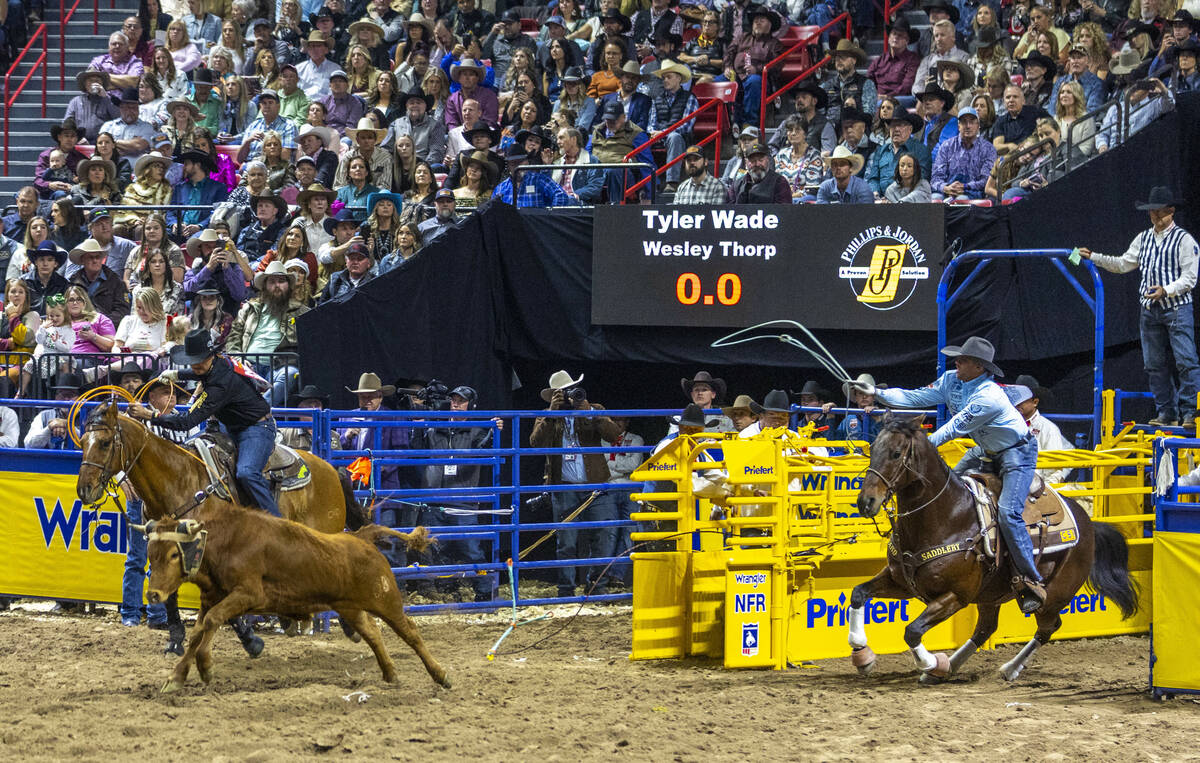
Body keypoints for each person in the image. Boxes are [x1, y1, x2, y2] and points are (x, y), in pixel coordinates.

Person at [862, 336, 1046, 612]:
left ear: (979, 367)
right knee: (944, 489)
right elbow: (914, 396)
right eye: (958, 358)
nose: (956, 362)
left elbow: (953, 428)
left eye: (964, 360)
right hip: (984, 449)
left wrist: (919, 447)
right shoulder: (951, 380)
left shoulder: (989, 397)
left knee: (1008, 512)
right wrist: (876, 392)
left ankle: (1030, 580)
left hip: (1016, 454)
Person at [1078, 187, 1199, 426]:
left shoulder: (1184, 240)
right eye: (1152, 213)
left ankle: (1191, 412)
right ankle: (1167, 412)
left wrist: (1166, 290)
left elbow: (1190, 277)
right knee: (1153, 364)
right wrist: (1094, 257)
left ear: (1171, 211)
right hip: (1149, 310)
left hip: (1177, 308)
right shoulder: (1143, 239)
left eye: (1160, 213)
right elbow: (1123, 264)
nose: (1155, 217)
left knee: (1186, 360)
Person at [129, 328, 279, 519]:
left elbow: (187, 421)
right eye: (191, 361)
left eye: (198, 360)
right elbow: (201, 373)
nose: (194, 365)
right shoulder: (220, 363)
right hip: (230, 425)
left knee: (247, 473)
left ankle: (276, 522)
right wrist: (178, 374)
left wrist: (151, 416)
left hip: (256, 428)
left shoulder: (220, 384)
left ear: (211, 355)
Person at [529, 370, 623, 598]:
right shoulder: (547, 415)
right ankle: (566, 590)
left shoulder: (594, 409)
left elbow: (614, 435)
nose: (569, 396)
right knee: (567, 542)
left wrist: (589, 411)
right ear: (553, 396)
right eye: (562, 393)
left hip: (596, 486)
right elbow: (535, 443)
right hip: (565, 487)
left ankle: (596, 586)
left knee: (604, 536)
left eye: (571, 391)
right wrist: (552, 413)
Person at [227, 261, 308, 405]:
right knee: (233, 373)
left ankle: (257, 411)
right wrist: (239, 360)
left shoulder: (302, 312)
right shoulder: (249, 309)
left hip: (280, 366)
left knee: (290, 374)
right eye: (272, 281)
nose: (277, 285)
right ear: (264, 286)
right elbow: (233, 338)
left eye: (281, 281)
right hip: (249, 365)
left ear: (289, 285)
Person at [723, 6, 782, 126]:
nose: (757, 23)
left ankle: (749, 123)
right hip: (736, 75)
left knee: (754, 82)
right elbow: (729, 53)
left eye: (762, 20)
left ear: (770, 25)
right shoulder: (742, 37)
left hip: (761, 79)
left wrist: (758, 69)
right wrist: (727, 67)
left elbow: (777, 64)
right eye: (755, 21)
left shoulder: (775, 43)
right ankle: (725, 122)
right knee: (718, 81)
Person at [930, 107, 997, 200]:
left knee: (961, 199)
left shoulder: (988, 149)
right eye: (964, 122)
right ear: (958, 126)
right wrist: (946, 187)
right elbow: (936, 177)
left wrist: (965, 187)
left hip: (973, 194)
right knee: (934, 199)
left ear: (978, 126)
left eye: (972, 122)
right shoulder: (947, 146)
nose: (968, 126)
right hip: (946, 192)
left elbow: (986, 180)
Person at [68, 239, 131, 325]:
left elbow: (123, 310)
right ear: (82, 260)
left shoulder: (116, 281)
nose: (95, 261)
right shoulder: (73, 282)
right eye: (90, 257)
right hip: (79, 328)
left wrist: (101, 323)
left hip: (107, 330)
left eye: (97, 257)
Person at [492, 144, 575, 208]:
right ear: (509, 166)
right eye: (513, 163)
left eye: (520, 161)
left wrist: (550, 216)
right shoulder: (501, 189)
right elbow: (494, 210)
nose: (517, 166)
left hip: (537, 227)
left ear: (527, 162)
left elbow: (560, 195)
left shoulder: (539, 179)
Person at [168, 150, 228, 237]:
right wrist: (174, 224)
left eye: (186, 164)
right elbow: (170, 211)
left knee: (198, 238)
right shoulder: (179, 187)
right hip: (180, 230)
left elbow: (218, 213)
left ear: (197, 165)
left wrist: (200, 226)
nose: (183, 167)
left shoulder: (218, 188)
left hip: (203, 231)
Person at [24, 372, 84, 449]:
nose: (66, 399)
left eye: (70, 395)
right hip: (48, 460)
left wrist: (68, 426)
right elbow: (28, 445)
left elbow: (90, 447)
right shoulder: (43, 415)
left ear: (80, 397)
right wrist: (49, 428)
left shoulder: (88, 417)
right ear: (56, 397)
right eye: (62, 394)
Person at [913, 19, 971, 96]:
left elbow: (967, 85)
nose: (938, 39)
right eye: (936, 36)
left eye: (942, 35)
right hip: (929, 99)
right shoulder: (927, 60)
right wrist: (925, 96)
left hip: (954, 99)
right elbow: (917, 85)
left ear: (953, 37)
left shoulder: (964, 57)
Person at [869, 19, 922, 98]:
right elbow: (868, 80)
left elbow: (907, 86)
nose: (896, 37)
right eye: (894, 34)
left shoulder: (913, 59)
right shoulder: (879, 60)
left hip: (900, 99)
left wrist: (887, 97)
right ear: (889, 39)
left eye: (900, 35)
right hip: (878, 98)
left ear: (907, 41)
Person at [992, 84, 1049, 155]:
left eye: (1015, 97)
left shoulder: (1036, 112)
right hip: (1013, 158)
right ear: (1004, 102)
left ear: (1023, 100)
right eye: (1008, 97)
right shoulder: (1000, 121)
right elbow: (996, 146)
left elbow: (1052, 129)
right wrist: (1010, 146)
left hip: (1036, 155)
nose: (1011, 100)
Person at [64, 73, 122, 143]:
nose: (94, 83)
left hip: (103, 142)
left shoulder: (109, 100)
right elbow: (67, 122)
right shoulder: (75, 102)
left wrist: (106, 97)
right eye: (91, 81)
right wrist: (78, 138)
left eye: (97, 81)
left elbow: (118, 118)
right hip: (81, 141)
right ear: (85, 84)